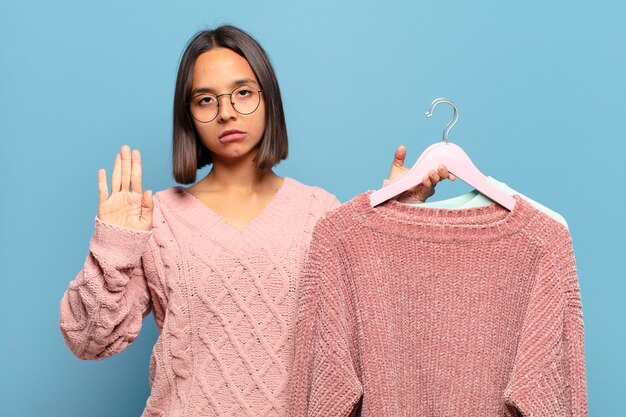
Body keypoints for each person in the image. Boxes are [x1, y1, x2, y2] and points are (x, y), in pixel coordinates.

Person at [59, 25, 455, 417]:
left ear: (269, 99)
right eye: (205, 100)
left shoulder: (321, 212)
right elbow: (88, 340)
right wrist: (114, 247)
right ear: (189, 116)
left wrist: (389, 217)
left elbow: (375, 339)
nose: (226, 111)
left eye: (243, 92)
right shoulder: (156, 219)